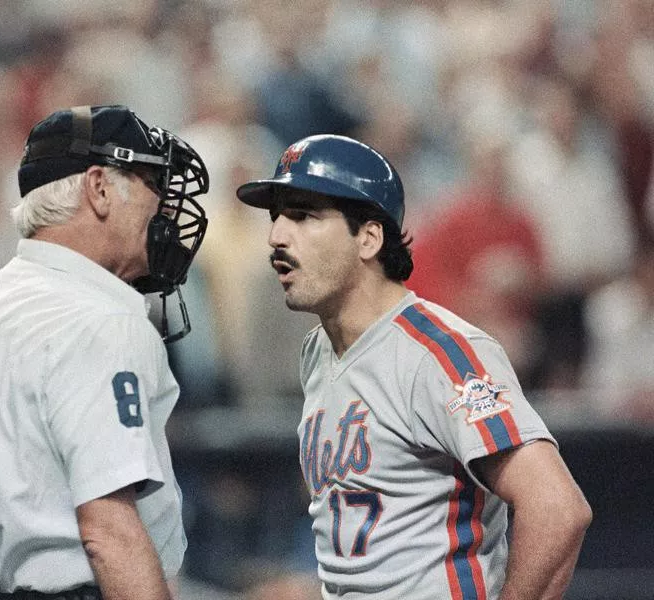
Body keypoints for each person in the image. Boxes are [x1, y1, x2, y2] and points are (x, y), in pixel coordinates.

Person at [235, 134, 592, 600]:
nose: (276, 235)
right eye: (276, 216)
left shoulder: (440, 352)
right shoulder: (317, 350)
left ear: (368, 237)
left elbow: (558, 508)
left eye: (303, 216)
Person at [0, 104, 210, 600]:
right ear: (99, 188)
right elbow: (108, 532)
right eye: (152, 187)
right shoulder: (103, 320)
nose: (164, 211)